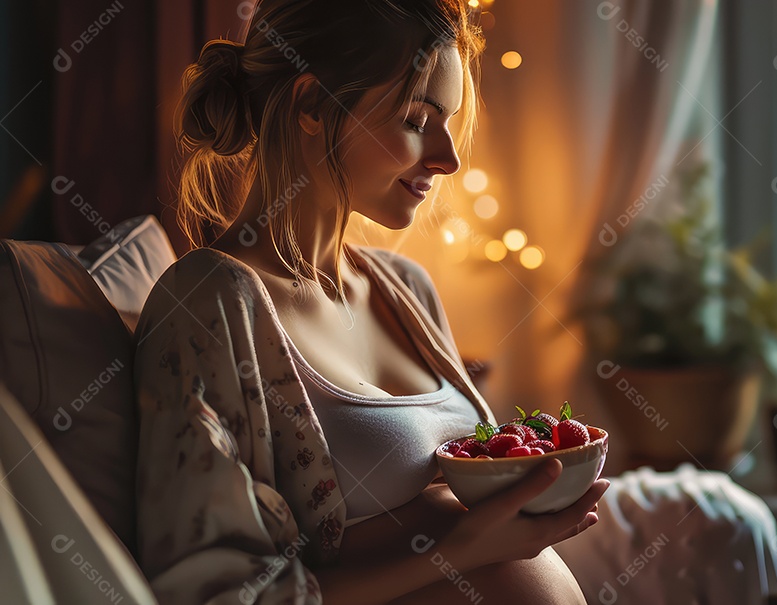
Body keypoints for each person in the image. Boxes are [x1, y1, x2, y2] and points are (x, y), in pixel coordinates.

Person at [132, 0, 609, 603]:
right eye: (415, 118)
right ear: (311, 104)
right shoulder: (211, 301)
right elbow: (214, 594)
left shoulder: (406, 289)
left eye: (447, 121)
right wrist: (459, 555)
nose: (448, 158)